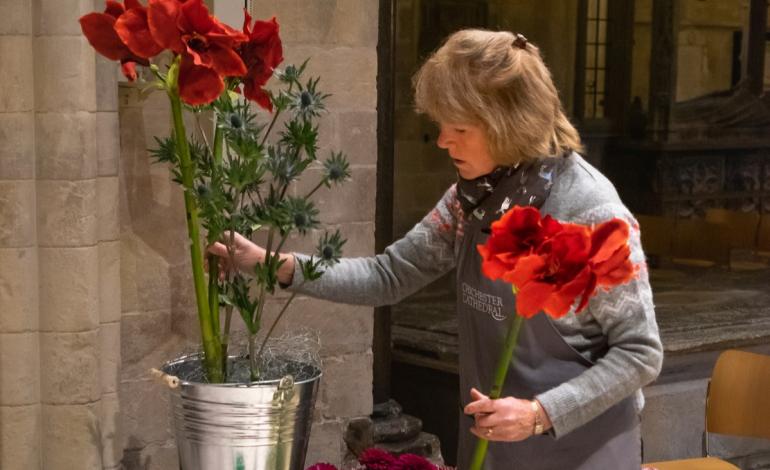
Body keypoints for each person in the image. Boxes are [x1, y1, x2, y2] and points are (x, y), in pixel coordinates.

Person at [208, 29, 663, 469]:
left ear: (510, 123)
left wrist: (539, 414)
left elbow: (639, 353)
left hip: (584, 453)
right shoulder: (475, 199)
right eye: (441, 125)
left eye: (459, 128)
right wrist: (272, 265)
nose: (443, 140)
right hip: (495, 450)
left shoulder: (591, 213)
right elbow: (390, 275)